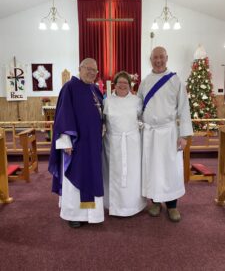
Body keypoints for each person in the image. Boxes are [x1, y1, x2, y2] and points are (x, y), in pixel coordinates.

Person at [138, 46, 193, 222]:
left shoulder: (175, 80)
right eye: (155, 57)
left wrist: (184, 135)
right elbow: (138, 107)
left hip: (169, 133)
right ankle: (155, 202)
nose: (158, 60)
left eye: (161, 57)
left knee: (170, 170)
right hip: (150, 134)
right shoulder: (145, 81)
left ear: (166, 58)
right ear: (150, 59)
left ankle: (172, 206)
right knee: (152, 169)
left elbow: (184, 108)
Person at [48, 58, 104, 228]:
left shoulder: (95, 89)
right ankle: (74, 214)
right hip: (76, 145)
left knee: (92, 176)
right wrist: (65, 142)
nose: (91, 72)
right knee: (75, 178)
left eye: (94, 70)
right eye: (88, 68)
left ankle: (92, 213)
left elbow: (102, 114)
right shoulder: (69, 88)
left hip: (93, 145)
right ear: (79, 68)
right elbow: (63, 117)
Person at [103, 71, 147, 216]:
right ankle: (113, 205)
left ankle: (133, 205)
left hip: (132, 144)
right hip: (113, 143)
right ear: (115, 84)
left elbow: (142, 118)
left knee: (132, 174)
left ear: (130, 85)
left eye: (125, 83)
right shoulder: (107, 101)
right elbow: (103, 121)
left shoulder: (136, 101)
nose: (122, 85)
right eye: (119, 82)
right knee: (114, 174)